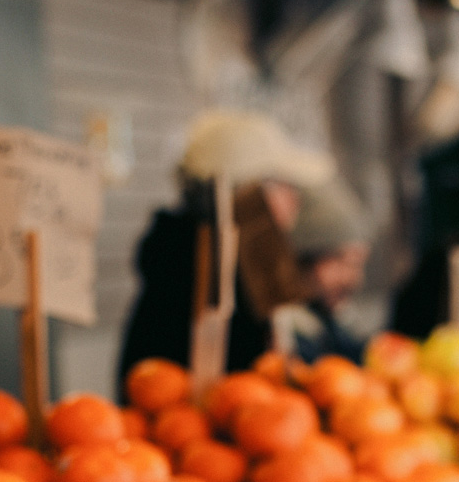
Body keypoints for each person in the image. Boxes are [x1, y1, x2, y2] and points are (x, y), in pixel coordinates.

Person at [118, 109, 333, 382]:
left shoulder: (240, 262)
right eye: (283, 185)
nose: (295, 200)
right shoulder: (197, 270)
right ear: (246, 195)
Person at [281, 181, 373, 365]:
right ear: (304, 260)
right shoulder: (283, 336)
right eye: (342, 262)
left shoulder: (334, 329)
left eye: (358, 266)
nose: (353, 279)